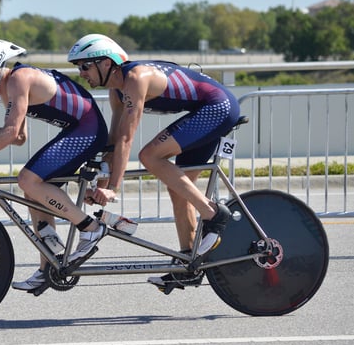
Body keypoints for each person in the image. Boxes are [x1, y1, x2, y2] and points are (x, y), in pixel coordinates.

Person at [68, 34, 240, 291]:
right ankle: (189, 263)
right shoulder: (117, 91)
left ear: (106, 63)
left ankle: (214, 214)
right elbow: (114, 143)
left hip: (218, 107)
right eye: (78, 68)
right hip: (202, 111)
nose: (81, 73)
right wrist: (101, 185)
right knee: (178, 189)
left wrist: (113, 189)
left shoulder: (136, 78)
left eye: (85, 66)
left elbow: (127, 138)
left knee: (149, 155)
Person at [0, 38, 109, 291]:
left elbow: (11, 133)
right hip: (77, 129)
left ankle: (90, 227)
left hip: (87, 129)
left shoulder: (18, 79)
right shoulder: (6, 87)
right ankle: (49, 268)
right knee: (32, 191)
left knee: (28, 179)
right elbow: (19, 137)